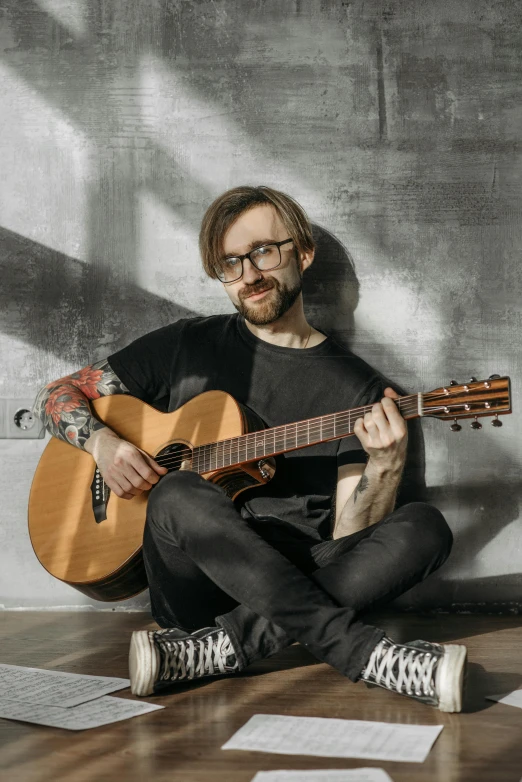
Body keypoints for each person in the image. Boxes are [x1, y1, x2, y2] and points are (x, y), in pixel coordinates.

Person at [34, 185, 466, 712]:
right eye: (230, 264)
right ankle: (365, 655)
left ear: (302, 253)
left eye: (263, 251)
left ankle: (217, 650)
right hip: (195, 580)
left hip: (305, 576)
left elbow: (351, 539)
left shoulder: (360, 393)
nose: (249, 275)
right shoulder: (188, 345)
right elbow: (56, 395)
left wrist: (386, 464)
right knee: (177, 492)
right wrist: (103, 444)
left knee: (426, 526)